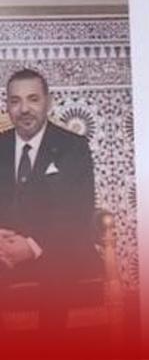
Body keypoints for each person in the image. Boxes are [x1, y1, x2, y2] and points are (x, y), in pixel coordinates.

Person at [0, 68, 99, 336]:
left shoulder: (73, 147)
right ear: (7, 106)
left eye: (33, 99)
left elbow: (78, 211)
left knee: (59, 267)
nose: (24, 109)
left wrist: (32, 246)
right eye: (15, 101)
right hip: (4, 251)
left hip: (56, 248)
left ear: (49, 102)